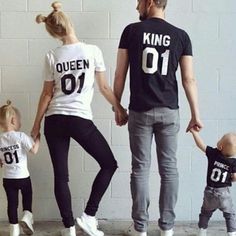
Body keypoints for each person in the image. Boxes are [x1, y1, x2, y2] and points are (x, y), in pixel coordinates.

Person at [31, 2, 128, 236]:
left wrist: (35, 127)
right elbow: (104, 87)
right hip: (78, 118)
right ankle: (88, 215)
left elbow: (46, 94)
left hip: (54, 119)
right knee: (109, 163)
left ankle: (69, 228)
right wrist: (119, 108)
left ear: (53, 32)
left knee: (61, 177)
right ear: (70, 24)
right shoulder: (92, 51)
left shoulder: (52, 55)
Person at [113, 0, 203, 235]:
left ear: (150, 2)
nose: (136, 8)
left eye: (138, 2)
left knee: (140, 169)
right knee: (169, 169)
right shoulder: (181, 36)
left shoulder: (131, 31)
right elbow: (188, 80)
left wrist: (117, 107)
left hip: (140, 111)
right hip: (169, 111)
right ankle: (167, 228)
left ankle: (140, 229)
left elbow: (120, 74)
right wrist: (196, 113)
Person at [0, 100, 40, 236]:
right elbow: (34, 150)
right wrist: (38, 138)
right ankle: (27, 216)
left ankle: (14, 230)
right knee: (27, 196)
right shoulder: (21, 136)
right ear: (13, 120)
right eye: (19, 120)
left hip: (8, 179)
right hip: (23, 177)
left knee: (12, 203)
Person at [190, 128, 236, 236]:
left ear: (220, 146)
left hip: (209, 192)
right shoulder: (233, 162)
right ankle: (232, 233)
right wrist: (230, 179)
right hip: (224, 193)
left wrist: (194, 133)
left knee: (205, 213)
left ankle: (202, 231)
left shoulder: (214, 154)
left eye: (221, 139)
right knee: (230, 215)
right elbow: (234, 177)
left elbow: (201, 145)